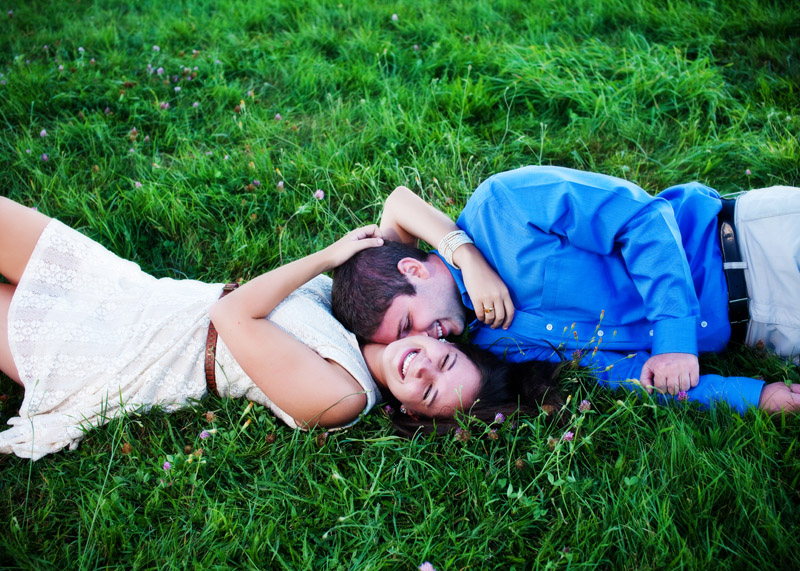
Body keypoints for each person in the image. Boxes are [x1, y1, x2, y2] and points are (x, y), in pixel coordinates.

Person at [0, 196, 559, 459]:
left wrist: (327, 257)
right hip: (138, 295)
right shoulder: (374, 320)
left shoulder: (343, 396)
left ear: (412, 413)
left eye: (430, 392)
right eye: (446, 357)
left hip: (119, 356)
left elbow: (230, 314)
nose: (424, 366)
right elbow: (398, 208)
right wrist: (466, 258)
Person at [332, 165, 800, 415]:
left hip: (756, 246)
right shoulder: (498, 343)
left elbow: (643, 218)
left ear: (413, 269)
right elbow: (623, 375)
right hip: (767, 333)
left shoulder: (501, 208)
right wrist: (752, 396)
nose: (428, 339)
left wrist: (674, 338)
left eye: (408, 324)